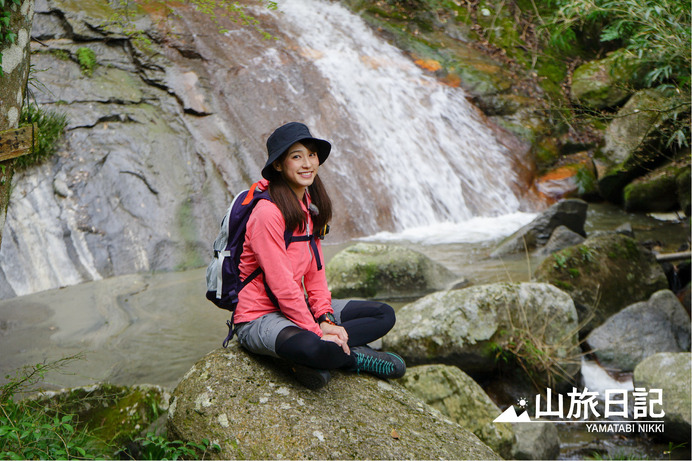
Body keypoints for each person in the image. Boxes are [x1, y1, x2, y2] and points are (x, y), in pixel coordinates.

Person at [232, 122, 406, 389]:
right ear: (279, 165)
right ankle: (354, 357)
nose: (307, 163)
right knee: (317, 346)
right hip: (260, 316)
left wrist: (325, 318)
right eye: (296, 156)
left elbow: (315, 275)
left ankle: (324, 356)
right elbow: (281, 285)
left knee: (384, 314)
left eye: (311, 155)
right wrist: (317, 331)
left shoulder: (307, 209)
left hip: (296, 308)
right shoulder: (267, 214)